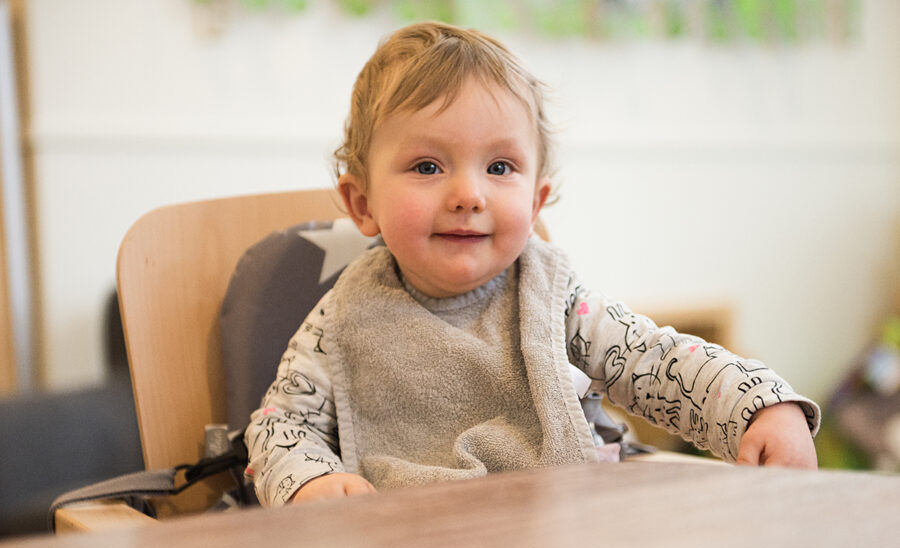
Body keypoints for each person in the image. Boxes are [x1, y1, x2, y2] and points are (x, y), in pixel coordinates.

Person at [243, 21, 820, 507]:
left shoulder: (552, 297)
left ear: (536, 200)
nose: (469, 194)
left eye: (499, 168)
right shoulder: (346, 314)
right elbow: (281, 425)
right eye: (426, 166)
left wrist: (758, 408)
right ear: (363, 204)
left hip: (568, 520)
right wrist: (311, 482)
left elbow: (656, 361)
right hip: (413, 546)